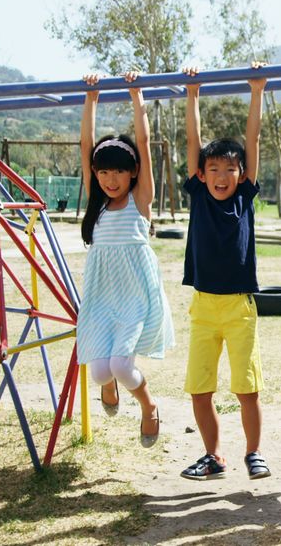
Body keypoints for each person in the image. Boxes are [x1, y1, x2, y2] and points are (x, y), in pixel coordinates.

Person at [179, 63, 271, 481]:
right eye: (213, 169)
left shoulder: (244, 197)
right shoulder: (198, 193)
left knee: (245, 387)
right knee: (200, 389)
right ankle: (213, 456)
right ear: (202, 173)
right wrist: (192, 92)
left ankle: (254, 453)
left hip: (238, 307)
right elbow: (193, 141)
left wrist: (257, 91)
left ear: (241, 174)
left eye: (229, 169)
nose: (220, 176)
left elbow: (252, 140)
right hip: (203, 307)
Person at [77, 71, 174, 448]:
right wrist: (91, 98)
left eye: (118, 171)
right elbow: (86, 144)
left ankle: (149, 407)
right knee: (100, 371)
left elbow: (145, 142)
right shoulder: (97, 205)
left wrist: (137, 97)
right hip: (103, 294)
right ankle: (111, 387)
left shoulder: (140, 200)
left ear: (132, 172)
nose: (110, 179)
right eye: (103, 172)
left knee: (119, 364)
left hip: (134, 294)